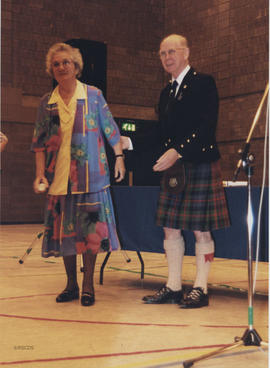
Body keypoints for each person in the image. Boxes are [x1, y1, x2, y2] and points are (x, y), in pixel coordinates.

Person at [121, 34, 230, 308]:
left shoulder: (203, 83)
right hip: (176, 168)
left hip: (198, 162)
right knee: (170, 228)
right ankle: (172, 286)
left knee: (200, 230)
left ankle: (201, 289)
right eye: (162, 53)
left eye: (172, 51)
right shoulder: (166, 91)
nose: (167, 57)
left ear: (186, 53)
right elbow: (161, 133)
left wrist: (178, 151)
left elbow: (206, 127)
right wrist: (130, 141)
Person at [31, 43, 125, 307]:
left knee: (91, 234)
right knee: (65, 234)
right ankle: (71, 284)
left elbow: (110, 129)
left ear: (76, 66)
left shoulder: (93, 95)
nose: (61, 67)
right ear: (51, 69)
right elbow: (39, 143)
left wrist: (119, 157)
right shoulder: (45, 103)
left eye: (66, 62)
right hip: (58, 178)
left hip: (91, 178)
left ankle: (87, 285)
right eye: (56, 64)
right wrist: (40, 175)